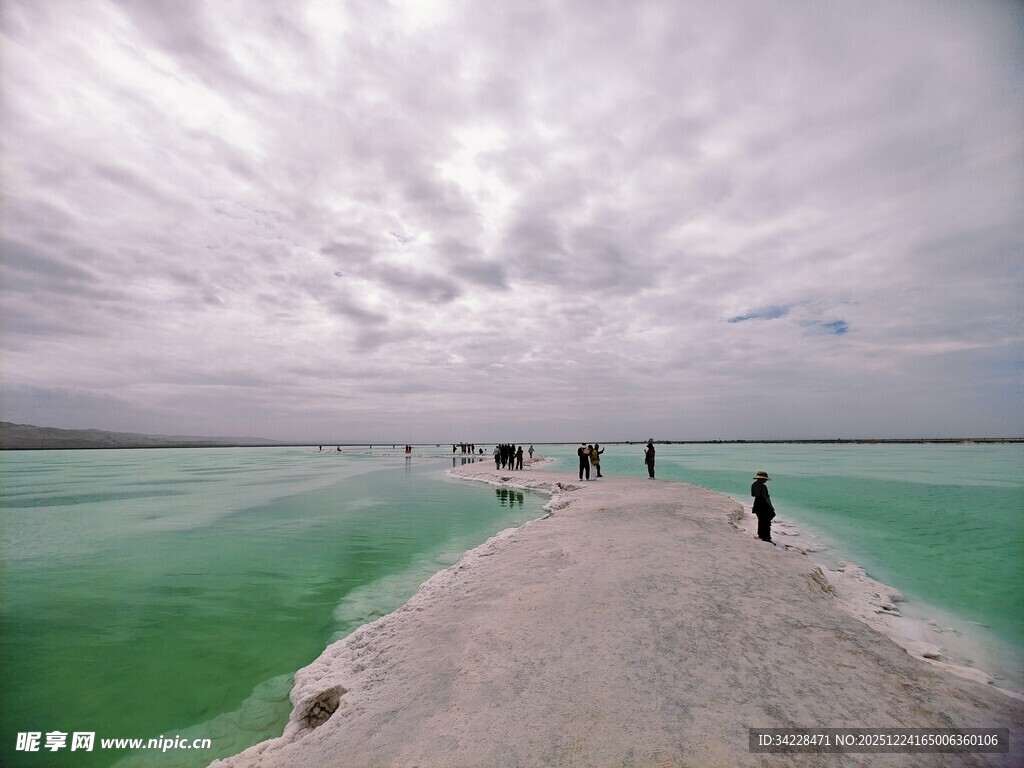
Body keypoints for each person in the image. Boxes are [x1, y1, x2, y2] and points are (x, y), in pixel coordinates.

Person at [751, 471, 776, 544]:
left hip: (757, 503)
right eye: (765, 479)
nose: (766, 480)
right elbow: (766, 497)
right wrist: (771, 506)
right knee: (768, 518)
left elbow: (753, 495)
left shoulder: (753, 485)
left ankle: (761, 535)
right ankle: (767, 537)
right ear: (762, 479)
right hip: (763, 503)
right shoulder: (763, 486)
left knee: (761, 520)